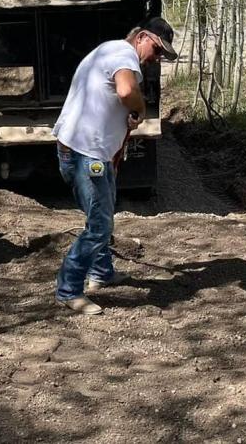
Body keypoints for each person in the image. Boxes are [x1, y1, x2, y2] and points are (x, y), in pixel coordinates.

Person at [52, 17, 177, 315]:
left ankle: (102, 272)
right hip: (86, 155)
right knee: (99, 225)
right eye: (157, 50)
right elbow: (125, 92)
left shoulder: (107, 50)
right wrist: (140, 107)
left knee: (103, 212)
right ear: (142, 37)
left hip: (89, 152)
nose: (155, 59)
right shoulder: (124, 56)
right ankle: (68, 289)